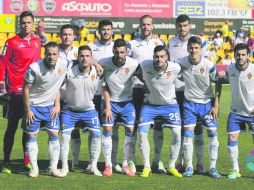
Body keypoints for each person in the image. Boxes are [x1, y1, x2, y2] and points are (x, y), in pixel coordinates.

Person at [0, 11, 41, 174]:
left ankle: (27, 160)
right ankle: (6, 161)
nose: (26, 25)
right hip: (14, 92)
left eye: (28, 22)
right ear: (20, 24)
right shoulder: (11, 42)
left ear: (33, 24)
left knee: (28, 128)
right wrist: (1, 87)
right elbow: (2, 64)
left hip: (32, 92)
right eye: (23, 22)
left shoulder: (38, 42)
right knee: (11, 127)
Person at [23, 42, 70, 178]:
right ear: (44, 54)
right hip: (34, 106)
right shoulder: (34, 68)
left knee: (54, 134)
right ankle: (35, 169)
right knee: (32, 136)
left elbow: (81, 61)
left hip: (50, 107)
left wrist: (57, 105)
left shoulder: (65, 63)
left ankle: (53, 168)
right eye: (49, 54)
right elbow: (26, 88)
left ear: (59, 55)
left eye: (54, 54)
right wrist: (27, 110)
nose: (51, 57)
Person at [167, 14, 207, 173]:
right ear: (176, 26)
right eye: (179, 25)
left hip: (195, 93)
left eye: (185, 25)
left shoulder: (199, 42)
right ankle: (181, 162)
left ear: (190, 26)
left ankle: (200, 163)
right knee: (180, 128)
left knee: (197, 129)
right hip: (176, 92)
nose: (182, 28)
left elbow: (204, 65)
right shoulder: (171, 42)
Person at [177, 36, 221, 178]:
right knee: (188, 135)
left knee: (213, 134)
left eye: (196, 48)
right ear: (187, 48)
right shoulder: (180, 63)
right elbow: (174, 74)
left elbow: (218, 82)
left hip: (207, 104)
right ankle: (189, 166)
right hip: (189, 104)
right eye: (191, 48)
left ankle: (213, 167)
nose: (193, 50)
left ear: (201, 50)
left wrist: (216, 104)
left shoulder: (208, 64)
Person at [127, 15, 166, 173]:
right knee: (135, 126)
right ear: (139, 26)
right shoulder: (132, 44)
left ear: (152, 26)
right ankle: (132, 160)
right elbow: (129, 67)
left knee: (158, 126)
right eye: (143, 24)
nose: (145, 27)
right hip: (137, 89)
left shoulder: (160, 43)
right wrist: (143, 82)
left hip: (156, 90)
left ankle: (157, 161)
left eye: (148, 24)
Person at [138, 45, 182, 178]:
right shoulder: (145, 65)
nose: (159, 59)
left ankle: (172, 166)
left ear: (167, 57)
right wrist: (145, 83)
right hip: (150, 105)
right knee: (142, 133)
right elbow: (137, 72)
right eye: (156, 56)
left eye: (162, 56)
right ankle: (147, 167)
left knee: (176, 134)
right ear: (153, 57)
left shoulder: (176, 68)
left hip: (170, 105)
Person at [60, 45, 102, 177]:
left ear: (92, 58)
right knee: (65, 138)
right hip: (69, 110)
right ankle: (65, 167)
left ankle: (93, 166)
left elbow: (106, 87)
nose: (84, 58)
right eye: (81, 56)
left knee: (97, 135)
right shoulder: (69, 70)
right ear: (77, 57)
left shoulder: (98, 71)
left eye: (87, 56)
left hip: (89, 110)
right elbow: (57, 86)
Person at [100, 39, 138, 177]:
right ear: (113, 51)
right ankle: (108, 165)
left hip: (127, 102)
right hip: (110, 102)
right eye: (116, 52)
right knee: (108, 129)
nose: (119, 55)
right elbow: (104, 86)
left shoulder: (134, 64)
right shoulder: (104, 62)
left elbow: (143, 75)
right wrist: (108, 107)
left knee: (130, 130)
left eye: (122, 52)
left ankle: (125, 164)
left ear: (127, 52)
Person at [219, 43, 254, 179]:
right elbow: (222, 80)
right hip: (235, 112)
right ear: (234, 55)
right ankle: (235, 169)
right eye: (238, 54)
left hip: (252, 113)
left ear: (248, 56)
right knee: (231, 138)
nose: (240, 57)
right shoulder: (230, 68)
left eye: (243, 54)